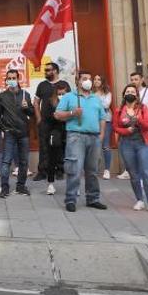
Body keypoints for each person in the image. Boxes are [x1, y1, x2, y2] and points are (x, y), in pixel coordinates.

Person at [55, 71, 108, 213]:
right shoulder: (68, 97)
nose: (88, 81)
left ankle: (93, 198)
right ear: (77, 81)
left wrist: (101, 134)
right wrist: (72, 113)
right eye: (84, 79)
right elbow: (57, 114)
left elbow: (102, 117)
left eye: (89, 79)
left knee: (92, 170)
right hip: (76, 137)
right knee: (75, 169)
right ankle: (71, 199)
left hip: (94, 137)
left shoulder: (95, 98)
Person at [113, 84, 148, 214]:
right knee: (133, 173)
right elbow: (116, 127)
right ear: (124, 94)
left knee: (147, 172)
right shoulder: (118, 110)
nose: (130, 93)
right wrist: (126, 130)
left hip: (143, 143)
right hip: (126, 144)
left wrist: (139, 120)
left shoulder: (143, 109)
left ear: (137, 95)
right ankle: (139, 199)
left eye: (133, 91)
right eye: (128, 91)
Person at [0, 69, 34, 198]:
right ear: (6, 80)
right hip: (10, 133)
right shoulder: (2, 96)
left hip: (23, 133)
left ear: (18, 79)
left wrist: (27, 107)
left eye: (13, 78)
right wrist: (4, 128)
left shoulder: (25, 95)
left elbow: (32, 113)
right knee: (6, 161)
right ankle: (4, 188)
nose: (11, 80)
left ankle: (21, 186)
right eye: (9, 78)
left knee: (23, 162)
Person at [34, 62, 69, 182]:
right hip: (45, 122)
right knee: (44, 146)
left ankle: (59, 170)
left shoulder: (63, 84)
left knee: (59, 145)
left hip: (60, 121)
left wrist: (66, 116)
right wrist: (39, 118)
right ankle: (43, 171)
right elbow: (36, 102)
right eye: (45, 70)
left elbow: (69, 101)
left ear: (55, 71)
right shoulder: (42, 85)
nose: (46, 72)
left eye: (48, 70)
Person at [43, 81, 70, 195]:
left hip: (68, 132)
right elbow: (48, 116)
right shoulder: (50, 102)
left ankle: (73, 185)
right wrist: (62, 116)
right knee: (52, 158)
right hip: (54, 132)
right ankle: (50, 183)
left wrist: (64, 115)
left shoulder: (71, 102)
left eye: (63, 93)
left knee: (71, 159)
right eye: (59, 93)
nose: (61, 96)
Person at [93, 74, 114, 180]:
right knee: (94, 145)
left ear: (102, 81)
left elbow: (106, 105)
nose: (96, 81)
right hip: (93, 122)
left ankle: (107, 170)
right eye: (95, 79)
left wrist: (94, 103)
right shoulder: (91, 93)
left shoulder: (107, 93)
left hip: (106, 120)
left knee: (105, 145)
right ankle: (94, 169)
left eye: (99, 79)